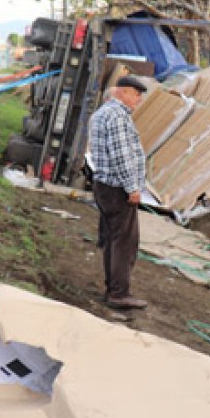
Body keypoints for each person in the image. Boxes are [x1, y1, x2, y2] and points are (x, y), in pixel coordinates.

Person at [88, 75, 150, 310]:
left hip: (106, 186)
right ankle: (118, 293)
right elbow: (121, 156)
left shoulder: (102, 114)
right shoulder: (117, 117)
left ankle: (113, 288)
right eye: (136, 94)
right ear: (123, 92)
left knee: (114, 238)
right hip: (117, 189)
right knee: (124, 242)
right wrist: (132, 187)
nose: (139, 100)